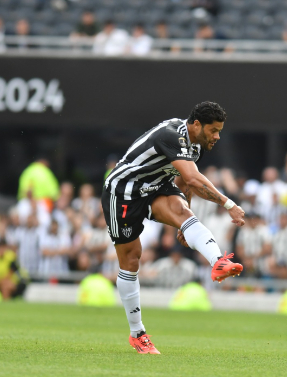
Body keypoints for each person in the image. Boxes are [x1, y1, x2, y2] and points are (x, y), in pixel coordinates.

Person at [102, 101, 245, 354]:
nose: (217, 136)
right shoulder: (170, 135)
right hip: (124, 192)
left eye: (220, 131)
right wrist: (227, 202)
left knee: (183, 212)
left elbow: (183, 182)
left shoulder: (196, 146)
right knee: (131, 259)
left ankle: (218, 261)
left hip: (156, 186)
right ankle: (138, 333)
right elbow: (191, 177)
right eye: (214, 130)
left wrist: (182, 220)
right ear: (197, 125)